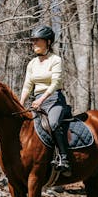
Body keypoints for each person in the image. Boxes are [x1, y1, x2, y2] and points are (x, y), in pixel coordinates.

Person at [20, 25, 71, 175]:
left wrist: (41, 99)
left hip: (54, 99)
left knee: (53, 123)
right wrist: (20, 104)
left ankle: (64, 158)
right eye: (33, 41)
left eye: (37, 41)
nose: (34, 43)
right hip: (37, 100)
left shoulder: (55, 60)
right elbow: (27, 86)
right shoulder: (32, 63)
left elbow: (55, 83)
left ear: (48, 42)